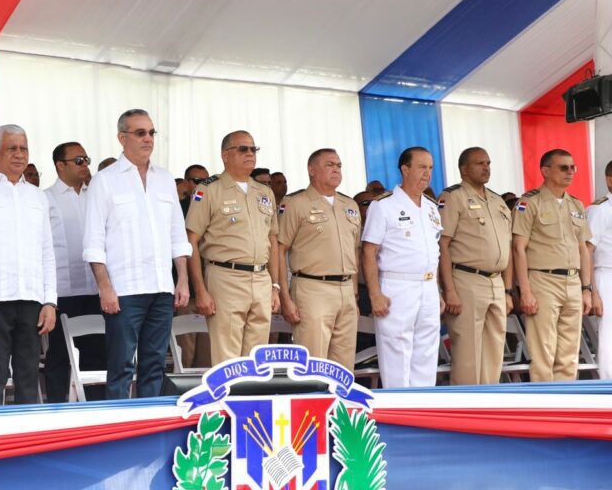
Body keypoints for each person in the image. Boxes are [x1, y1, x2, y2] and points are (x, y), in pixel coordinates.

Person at [83, 109, 191, 398]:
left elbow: (177, 237)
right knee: (120, 367)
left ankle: (149, 431)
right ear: (122, 137)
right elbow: (93, 242)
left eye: (152, 133)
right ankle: (120, 435)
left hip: (160, 288)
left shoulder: (165, 179)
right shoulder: (104, 181)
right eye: (140, 133)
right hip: (124, 291)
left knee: (155, 365)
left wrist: (182, 280)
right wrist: (105, 288)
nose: (148, 139)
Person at [0, 125, 56, 405]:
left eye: (23, 148)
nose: (19, 154)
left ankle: (27, 445)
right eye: (12, 148)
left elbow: (47, 252)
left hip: (31, 299)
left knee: (29, 378)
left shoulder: (38, 197)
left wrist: (50, 301)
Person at [187, 131, 280, 364]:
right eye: (242, 149)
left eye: (253, 149)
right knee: (228, 360)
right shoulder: (208, 190)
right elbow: (191, 242)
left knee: (258, 359)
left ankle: (253, 401)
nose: (250, 153)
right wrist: (200, 290)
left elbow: (274, 243)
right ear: (225, 155)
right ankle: (228, 401)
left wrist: (276, 286)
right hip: (226, 277)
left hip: (261, 279)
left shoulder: (265, 192)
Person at [361, 147, 444, 388]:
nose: (427, 173)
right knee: (397, 352)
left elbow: (433, 252)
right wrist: (375, 294)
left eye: (430, 168)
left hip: (427, 286)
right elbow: (369, 251)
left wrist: (436, 290)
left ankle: (422, 412)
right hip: (398, 286)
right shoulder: (383, 205)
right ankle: (397, 412)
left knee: (427, 352)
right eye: (421, 167)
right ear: (405, 169)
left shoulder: (430, 206)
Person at [513, 149, 592, 382]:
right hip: (543, 280)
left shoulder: (576, 205)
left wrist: (586, 288)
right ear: (545, 171)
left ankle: (565, 407)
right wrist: (525, 291)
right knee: (543, 352)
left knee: (570, 354)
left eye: (573, 167)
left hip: (572, 282)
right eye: (563, 167)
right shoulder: (529, 202)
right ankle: (543, 406)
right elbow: (518, 248)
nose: (570, 172)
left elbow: (583, 249)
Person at [278, 149, 360, 370]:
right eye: (330, 164)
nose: (336, 169)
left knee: (344, 369)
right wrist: (284, 296)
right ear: (311, 170)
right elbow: (279, 249)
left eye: (339, 165)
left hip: (345, 290)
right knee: (313, 365)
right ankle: (312, 406)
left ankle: (339, 406)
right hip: (313, 288)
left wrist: (353, 290)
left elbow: (355, 250)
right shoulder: (296, 203)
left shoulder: (350, 206)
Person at [437, 148, 513, 385]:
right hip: (467, 280)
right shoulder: (452, 197)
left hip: (496, 282)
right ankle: (464, 409)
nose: (486, 167)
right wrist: (449, 290)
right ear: (464, 169)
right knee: (468, 352)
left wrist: (508, 291)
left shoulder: (498, 200)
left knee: (494, 350)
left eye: (488, 162)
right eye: (480, 163)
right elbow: (443, 245)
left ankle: (490, 405)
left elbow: (507, 246)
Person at [43, 142, 105, 402]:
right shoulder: (45, 198)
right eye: (79, 160)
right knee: (59, 357)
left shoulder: (96, 195)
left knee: (98, 354)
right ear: (60, 165)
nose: (86, 165)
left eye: (87, 159)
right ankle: (57, 412)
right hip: (62, 291)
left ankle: (100, 413)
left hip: (96, 288)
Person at [177, 163, 211, 368]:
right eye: (198, 181)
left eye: (206, 181)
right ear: (187, 183)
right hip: (186, 290)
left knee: (208, 354)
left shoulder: (212, 205)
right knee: (186, 352)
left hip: (211, 289)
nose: (202, 185)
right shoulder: (178, 209)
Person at [587, 160, 612, 379]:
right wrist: (592, 290)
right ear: (609, 180)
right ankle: (608, 385)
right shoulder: (600, 209)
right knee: (610, 336)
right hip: (606, 274)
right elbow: (587, 250)